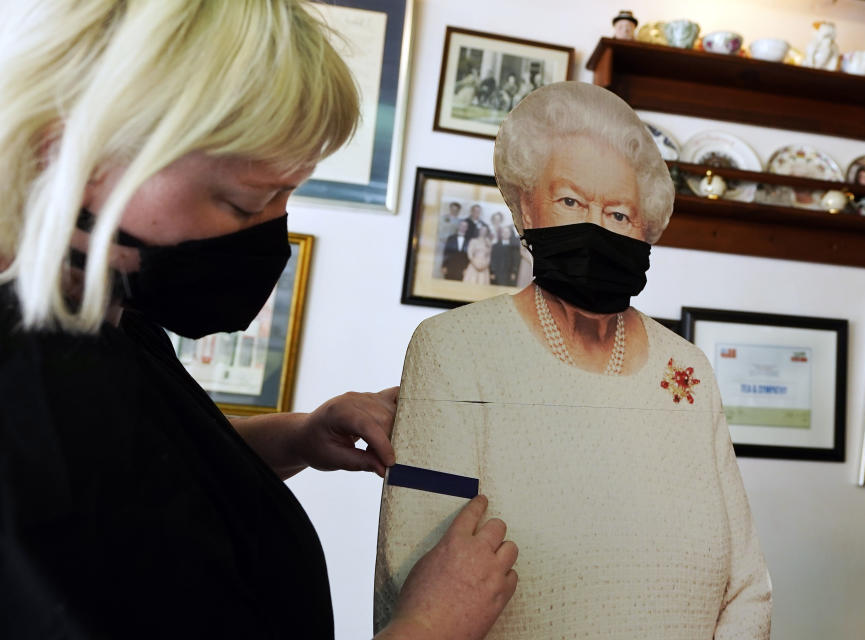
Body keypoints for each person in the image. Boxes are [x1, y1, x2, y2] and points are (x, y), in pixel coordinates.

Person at [0, 2, 517, 638]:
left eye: (288, 193)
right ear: (69, 152)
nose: (270, 228)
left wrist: (294, 437)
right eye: (246, 200)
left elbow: (148, 477)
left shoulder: (103, 316)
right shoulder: (31, 393)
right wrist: (435, 621)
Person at [375, 82, 772, 638]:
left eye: (618, 213)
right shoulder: (454, 351)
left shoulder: (688, 373)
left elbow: (748, 586)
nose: (596, 228)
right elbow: (409, 580)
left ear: (647, 230)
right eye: (571, 202)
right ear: (524, 206)